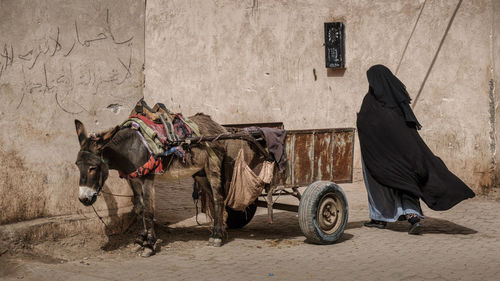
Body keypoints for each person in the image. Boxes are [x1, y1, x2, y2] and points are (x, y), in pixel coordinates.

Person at [356, 64, 475, 234]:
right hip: (406, 154)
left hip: (378, 158)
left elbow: (365, 125)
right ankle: (412, 218)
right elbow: (408, 130)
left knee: (380, 183)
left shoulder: (371, 103)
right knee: (408, 181)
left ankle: (380, 219)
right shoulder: (398, 103)